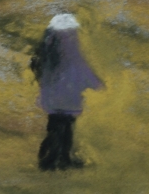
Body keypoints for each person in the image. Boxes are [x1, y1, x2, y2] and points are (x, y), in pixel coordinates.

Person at [30, 13, 104, 171]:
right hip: (67, 95)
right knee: (65, 129)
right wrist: (95, 83)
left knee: (55, 128)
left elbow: (38, 67)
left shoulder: (47, 47)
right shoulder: (69, 47)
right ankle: (57, 160)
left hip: (52, 96)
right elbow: (80, 67)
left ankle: (52, 160)